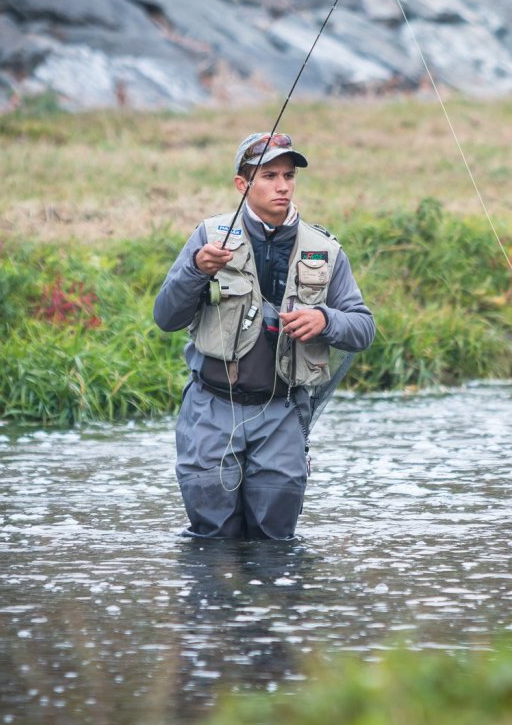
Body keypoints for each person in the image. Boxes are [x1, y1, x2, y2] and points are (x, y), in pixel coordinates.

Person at [154, 132, 375, 540]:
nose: (282, 186)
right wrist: (196, 270)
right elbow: (165, 316)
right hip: (211, 409)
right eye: (269, 176)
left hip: (283, 413)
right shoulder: (209, 238)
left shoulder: (325, 249)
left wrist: (325, 320)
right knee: (212, 540)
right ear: (242, 184)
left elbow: (363, 329)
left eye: (289, 176)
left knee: (275, 543)